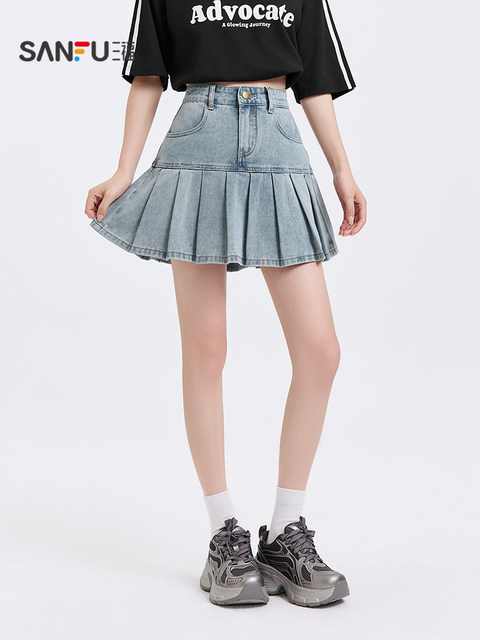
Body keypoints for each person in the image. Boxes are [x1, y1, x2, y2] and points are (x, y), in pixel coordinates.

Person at [85, 0, 367, 607]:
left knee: (320, 351)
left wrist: (342, 169)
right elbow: (148, 77)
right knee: (207, 348)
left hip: (280, 141)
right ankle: (224, 536)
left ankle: (286, 535)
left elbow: (315, 80)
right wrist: (123, 170)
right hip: (198, 141)